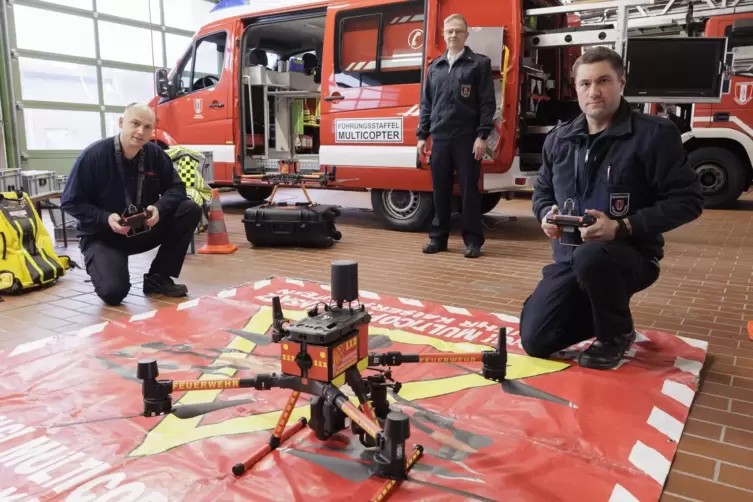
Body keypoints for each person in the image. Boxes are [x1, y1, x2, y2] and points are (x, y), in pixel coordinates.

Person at [519, 47, 704, 370]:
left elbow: (688, 201)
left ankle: (615, 334)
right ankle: (603, 311)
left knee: (593, 255)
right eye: (585, 83)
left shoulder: (654, 136)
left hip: (629, 257)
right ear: (575, 88)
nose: (594, 92)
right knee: (536, 340)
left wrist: (622, 226)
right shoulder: (559, 140)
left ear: (621, 82)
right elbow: (543, 192)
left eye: (604, 81)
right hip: (568, 259)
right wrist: (545, 212)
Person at [61, 103, 202, 306]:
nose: (140, 132)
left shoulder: (154, 154)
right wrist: (105, 218)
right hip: (104, 236)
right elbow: (70, 201)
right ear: (121, 123)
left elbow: (176, 189)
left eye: (147, 127)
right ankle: (106, 263)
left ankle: (158, 277)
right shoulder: (94, 156)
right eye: (135, 123)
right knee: (113, 293)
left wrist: (159, 208)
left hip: (143, 229)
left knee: (189, 209)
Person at [416, 13, 496, 258]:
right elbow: (426, 104)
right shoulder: (435, 67)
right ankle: (438, 238)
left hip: (467, 139)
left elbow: (487, 103)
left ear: (466, 35)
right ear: (443, 34)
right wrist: (422, 136)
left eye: (458, 31)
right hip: (440, 138)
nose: (453, 35)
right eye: (449, 31)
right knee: (439, 190)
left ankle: (473, 241)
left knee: (469, 192)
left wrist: (482, 136)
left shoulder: (479, 64)